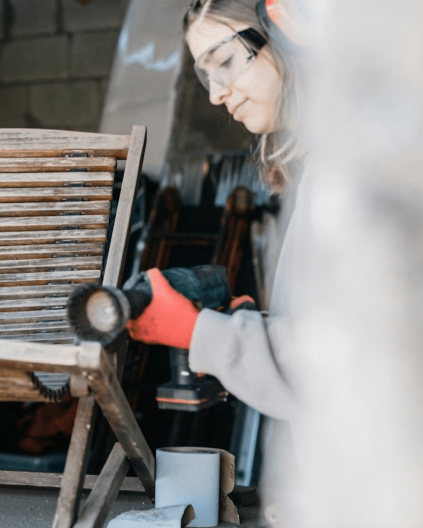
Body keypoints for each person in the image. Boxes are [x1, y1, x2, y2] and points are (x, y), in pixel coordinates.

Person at [127, 0, 306, 423]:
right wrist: (251, 327)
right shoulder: (321, 172)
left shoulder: (360, 177)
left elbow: (346, 366)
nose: (215, 93)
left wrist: (201, 334)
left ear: (286, 35)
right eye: (205, 75)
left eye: (224, 62)